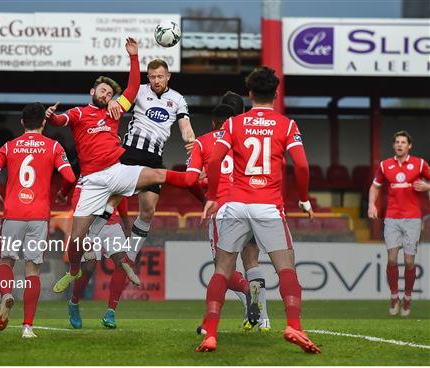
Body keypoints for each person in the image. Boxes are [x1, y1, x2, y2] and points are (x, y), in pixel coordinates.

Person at [44, 38, 194, 293]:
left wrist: (133, 56)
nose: (107, 95)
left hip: (123, 165)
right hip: (102, 171)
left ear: (168, 76)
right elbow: (63, 120)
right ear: (92, 92)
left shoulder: (118, 111)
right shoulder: (82, 113)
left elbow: (132, 88)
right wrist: (52, 117)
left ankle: (130, 256)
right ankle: (74, 269)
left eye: (110, 93)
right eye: (103, 91)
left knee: (150, 200)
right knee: (79, 235)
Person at [196, 67, 320, 353]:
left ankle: (211, 333)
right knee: (286, 266)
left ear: (249, 94)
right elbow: (301, 165)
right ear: (275, 94)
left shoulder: (233, 124)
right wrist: (304, 198)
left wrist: (213, 196)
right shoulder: (286, 125)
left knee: (223, 269)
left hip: (236, 203)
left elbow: (214, 162)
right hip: (268, 206)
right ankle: (294, 326)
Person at [0, 102, 76, 338]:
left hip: (12, 214)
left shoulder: (9, 146)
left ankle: (6, 295)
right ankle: (27, 327)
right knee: (32, 270)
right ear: (44, 122)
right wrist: (62, 193)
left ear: (22, 122)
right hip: (39, 216)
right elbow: (70, 176)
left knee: (6, 261)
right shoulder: (53, 146)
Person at [185, 93, 271, 332]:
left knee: (222, 268)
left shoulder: (204, 142)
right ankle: (261, 317)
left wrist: (204, 191)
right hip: (253, 206)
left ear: (215, 122)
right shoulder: (250, 139)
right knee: (252, 260)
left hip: (224, 209)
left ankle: (246, 301)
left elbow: (190, 180)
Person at [107, 58, 195, 267]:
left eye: (160, 76)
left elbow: (185, 126)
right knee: (111, 202)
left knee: (148, 210)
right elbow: (119, 104)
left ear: (168, 76)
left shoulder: (178, 99)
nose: (156, 80)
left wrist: (190, 138)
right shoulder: (139, 91)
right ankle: (91, 244)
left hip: (154, 158)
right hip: (130, 153)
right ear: (148, 77)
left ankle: (130, 255)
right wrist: (112, 101)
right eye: (152, 77)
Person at [53, 182, 132, 329]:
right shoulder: (86, 178)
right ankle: (74, 303)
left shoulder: (114, 171)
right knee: (89, 267)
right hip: (89, 224)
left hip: (111, 225)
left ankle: (110, 312)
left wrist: (126, 223)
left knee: (123, 263)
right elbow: (77, 201)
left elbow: (120, 196)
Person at [368, 130, 430, 316]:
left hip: (412, 218)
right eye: (397, 142)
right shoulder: (385, 165)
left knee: (409, 262)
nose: (400, 145)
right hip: (392, 218)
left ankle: (408, 297)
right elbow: (375, 187)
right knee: (392, 259)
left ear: (409, 145)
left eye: (403, 142)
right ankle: (395, 295)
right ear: (394, 145)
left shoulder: (419, 163)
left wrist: (428, 186)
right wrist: (372, 205)